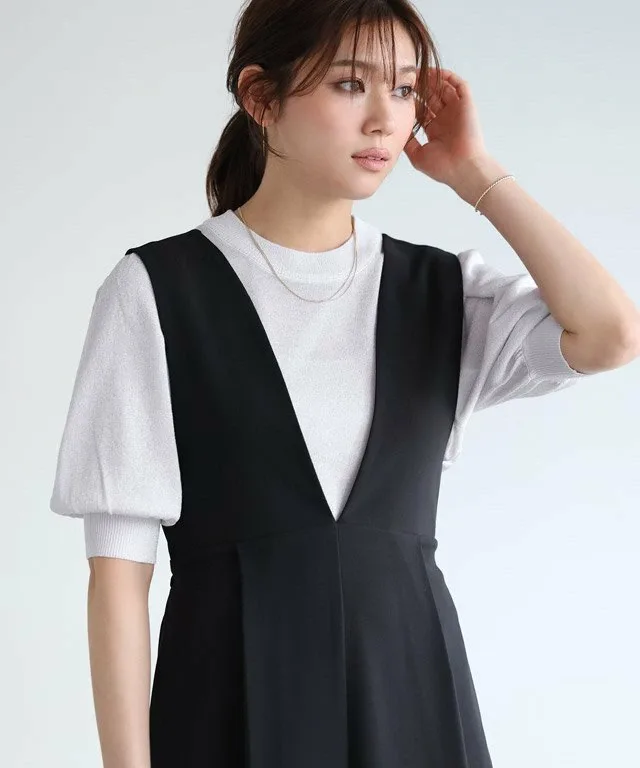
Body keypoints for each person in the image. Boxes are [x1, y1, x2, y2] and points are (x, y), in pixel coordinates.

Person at [49, 1, 640, 766]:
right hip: (228, 710)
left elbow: (611, 335)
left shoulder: (441, 294)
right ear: (261, 97)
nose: (384, 120)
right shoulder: (157, 291)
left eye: (404, 90)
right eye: (350, 84)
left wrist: (474, 174)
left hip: (414, 706)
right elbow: (118, 578)